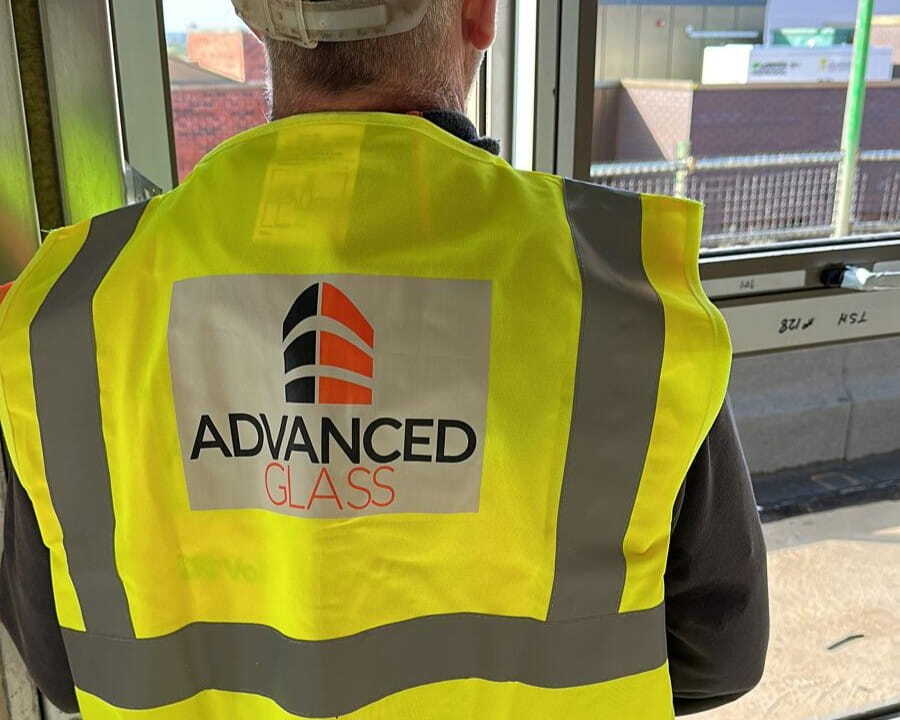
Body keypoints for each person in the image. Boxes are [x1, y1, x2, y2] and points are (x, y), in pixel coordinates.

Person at [0, 0, 768, 717]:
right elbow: (719, 654)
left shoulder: (73, 312)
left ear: (253, 15)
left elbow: (62, 665)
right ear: (478, 12)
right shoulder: (617, 298)